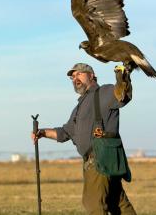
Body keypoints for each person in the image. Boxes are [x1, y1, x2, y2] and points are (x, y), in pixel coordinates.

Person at [31, 63, 137, 215]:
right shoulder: (79, 107)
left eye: (79, 74)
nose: (75, 79)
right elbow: (65, 133)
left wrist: (123, 77)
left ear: (91, 75)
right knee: (117, 204)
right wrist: (42, 133)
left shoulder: (104, 93)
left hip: (101, 159)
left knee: (93, 203)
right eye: (72, 77)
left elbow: (123, 95)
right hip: (99, 162)